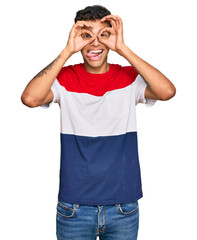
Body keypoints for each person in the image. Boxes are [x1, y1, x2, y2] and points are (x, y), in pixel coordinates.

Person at [21, 5, 176, 240]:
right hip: (74, 207)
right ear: (77, 39)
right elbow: (30, 98)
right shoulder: (64, 78)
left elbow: (167, 91)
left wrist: (123, 49)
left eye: (103, 35)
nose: (95, 43)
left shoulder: (128, 78)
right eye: (86, 36)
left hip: (123, 206)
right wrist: (67, 51)